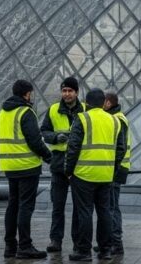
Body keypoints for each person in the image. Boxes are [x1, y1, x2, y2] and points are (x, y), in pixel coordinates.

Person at [65, 88, 125, 262]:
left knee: (85, 213)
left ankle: (84, 251)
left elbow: (73, 147)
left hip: (84, 174)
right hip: (105, 175)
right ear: (103, 102)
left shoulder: (82, 118)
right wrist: (111, 169)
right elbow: (120, 149)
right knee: (104, 212)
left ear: (87, 103)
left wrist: (69, 171)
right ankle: (105, 250)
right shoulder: (114, 121)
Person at [0, 79, 52, 259]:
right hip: (27, 165)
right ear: (27, 94)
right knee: (25, 207)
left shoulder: (1, 114)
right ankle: (25, 246)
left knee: (12, 205)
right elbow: (34, 141)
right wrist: (48, 156)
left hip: (9, 166)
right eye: (31, 94)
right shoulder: (25, 113)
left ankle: (10, 246)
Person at [39, 77, 84, 253]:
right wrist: (56, 137)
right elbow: (44, 131)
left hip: (79, 164)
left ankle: (77, 241)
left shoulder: (85, 110)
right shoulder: (53, 110)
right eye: (64, 91)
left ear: (76, 92)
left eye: (70, 91)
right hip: (59, 165)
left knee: (78, 208)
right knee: (57, 206)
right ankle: (55, 240)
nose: (66, 94)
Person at [104, 92, 131, 256]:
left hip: (115, 168)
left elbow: (117, 147)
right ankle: (109, 241)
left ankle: (116, 242)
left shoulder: (117, 119)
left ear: (107, 103)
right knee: (110, 206)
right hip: (118, 166)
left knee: (112, 207)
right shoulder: (119, 117)